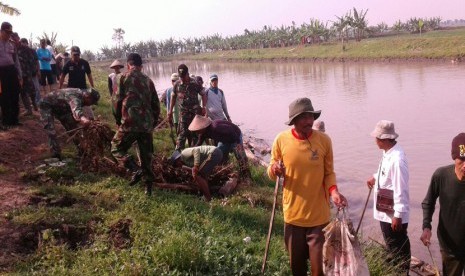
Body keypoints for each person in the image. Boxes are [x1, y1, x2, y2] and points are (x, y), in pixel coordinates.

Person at [267, 97, 346, 276]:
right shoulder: (281, 140)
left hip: (319, 218)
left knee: (320, 269)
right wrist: (275, 169)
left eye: (310, 116)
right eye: (303, 117)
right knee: (297, 267)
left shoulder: (324, 141)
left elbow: (329, 173)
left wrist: (334, 192)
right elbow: (271, 170)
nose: (309, 121)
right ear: (293, 121)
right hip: (293, 216)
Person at [111, 53, 160, 196]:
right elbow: (155, 106)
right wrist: (152, 123)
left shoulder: (122, 78)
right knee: (146, 156)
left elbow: (116, 102)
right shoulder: (149, 81)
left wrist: (118, 120)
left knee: (115, 147)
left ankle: (134, 168)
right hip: (146, 126)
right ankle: (148, 189)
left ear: (128, 65)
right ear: (141, 67)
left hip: (129, 123)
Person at [366, 120, 411, 274]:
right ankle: (395, 269)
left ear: (385, 139)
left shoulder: (397, 160)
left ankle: (402, 271)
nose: (375, 141)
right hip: (385, 209)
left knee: (399, 246)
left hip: (393, 214)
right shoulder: (387, 153)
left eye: (377, 138)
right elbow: (386, 174)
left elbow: (401, 188)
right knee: (392, 244)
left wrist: (398, 215)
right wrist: (375, 177)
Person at [421, 133, 465, 276]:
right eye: (462, 159)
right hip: (450, 247)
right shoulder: (441, 176)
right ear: (454, 158)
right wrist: (426, 227)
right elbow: (428, 202)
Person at [38, 88, 100, 160]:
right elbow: (76, 110)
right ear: (87, 96)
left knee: (73, 128)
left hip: (62, 108)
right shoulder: (74, 96)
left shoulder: (82, 97)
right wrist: (84, 119)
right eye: (92, 102)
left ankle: (83, 153)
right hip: (47, 105)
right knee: (50, 130)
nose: (91, 104)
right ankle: (55, 155)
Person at [188, 115, 251, 180]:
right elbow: (198, 144)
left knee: (240, 157)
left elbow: (231, 131)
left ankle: (247, 177)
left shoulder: (215, 127)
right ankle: (227, 171)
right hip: (224, 139)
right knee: (219, 154)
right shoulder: (202, 133)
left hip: (235, 136)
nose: (197, 132)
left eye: (198, 130)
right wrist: (191, 152)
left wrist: (238, 143)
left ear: (202, 127)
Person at [168, 64, 206, 150]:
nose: (182, 79)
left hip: (195, 115)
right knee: (182, 135)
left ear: (187, 74)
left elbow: (203, 94)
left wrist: (204, 107)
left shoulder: (195, 83)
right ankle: (178, 156)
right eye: (181, 77)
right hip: (184, 114)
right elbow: (173, 97)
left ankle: (195, 155)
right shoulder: (177, 84)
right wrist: (170, 111)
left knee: (195, 135)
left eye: (183, 76)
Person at [0, 22, 22, 130]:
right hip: (1, 72)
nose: (9, 35)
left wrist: (20, 75)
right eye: (7, 32)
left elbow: (16, 61)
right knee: (4, 96)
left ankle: (14, 120)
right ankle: (6, 121)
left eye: (10, 33)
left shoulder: (11, 44)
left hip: (12, 71)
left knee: (15, 94)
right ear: (1, 31)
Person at [14, 35, 39, 115]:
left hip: (27, 73)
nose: (13, 40)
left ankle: (33, 105)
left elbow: (34, 60)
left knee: (30, 91)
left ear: (18, 39)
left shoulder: (27, 49)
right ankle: (29, 109)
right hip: (19, 74)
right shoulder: (13, 48)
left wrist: (35, 71)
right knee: (23, 92)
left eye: (15, 38)